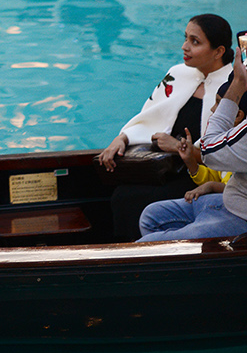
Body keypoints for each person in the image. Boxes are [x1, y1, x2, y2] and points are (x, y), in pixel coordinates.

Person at [98, 14, 235, 240]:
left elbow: (229, 153)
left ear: (218, 51)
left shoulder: (233, 87)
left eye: (195, 42)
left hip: (198, 175)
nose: (185, 47)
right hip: (162, 166)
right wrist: (121, 138)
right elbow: (148, 117)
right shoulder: (177, 74)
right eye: (186, 38)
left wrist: (179, 148)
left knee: (133, 199)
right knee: (119, 193)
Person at [138, 48, 247, 241]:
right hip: (230, 198)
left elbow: (209, 151)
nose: (184, 47)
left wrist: (237, 86)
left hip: (241, 216)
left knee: (144, 245)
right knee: (151, 216)